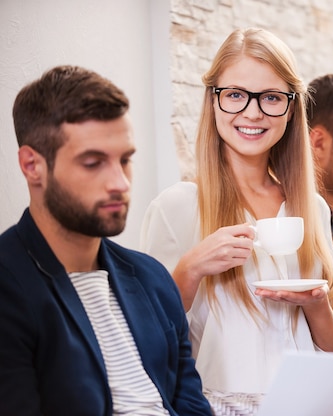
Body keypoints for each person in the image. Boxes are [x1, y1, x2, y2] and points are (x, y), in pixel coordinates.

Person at [140, 28, 333, 416]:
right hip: (233, 408)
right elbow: (146, 343)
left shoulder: (312, 209)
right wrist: (189, 270)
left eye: (271, 98)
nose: (252, 113)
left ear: (290, 109)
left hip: (320, 405)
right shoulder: (178, 207)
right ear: (213, 101)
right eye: (236, 95)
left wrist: (318, 306)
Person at [0, 65, 212, 416]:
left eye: (125, 160)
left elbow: (192, 405)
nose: (121, 183)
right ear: (32, 165)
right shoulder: (8, 287)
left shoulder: (153, 278)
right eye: (93, 163)